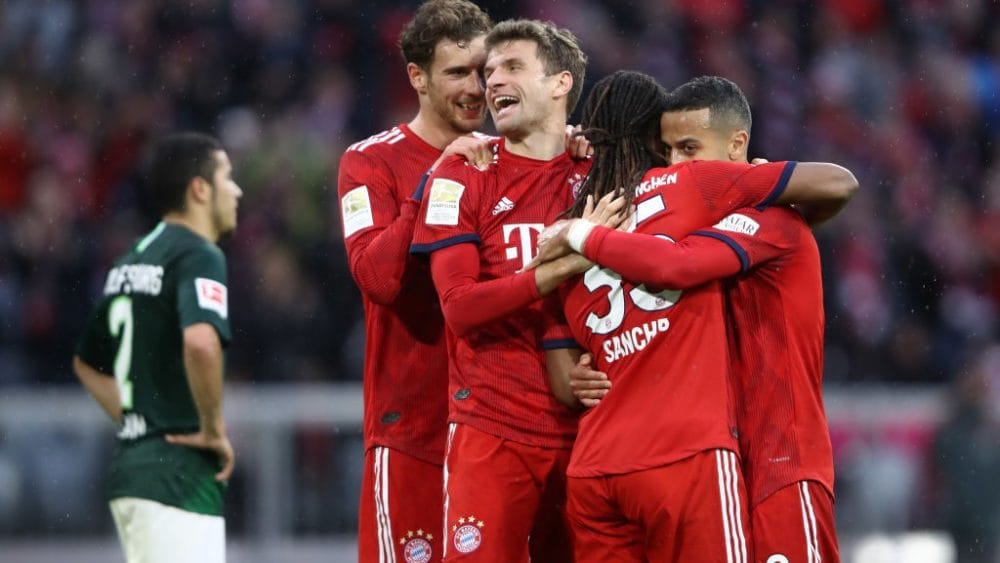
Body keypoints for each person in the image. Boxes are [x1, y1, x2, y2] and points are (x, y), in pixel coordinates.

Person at [526, 70, 857, 562]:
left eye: (688, 148)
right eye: (667, 152)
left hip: (779, 459)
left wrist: (580, 236)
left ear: (735, 146)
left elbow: (677, 264)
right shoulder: (684, 219)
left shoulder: (773, 218)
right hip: (715, 458)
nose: (676, 165)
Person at [409, 18, 591, 562]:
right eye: (489, 72)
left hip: (591, 431)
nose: (491, 82)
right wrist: (551, 271)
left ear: (560, 83)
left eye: (511, 67)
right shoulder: (461, 176)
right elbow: (460, 308)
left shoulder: (600, 171)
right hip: (493, 431)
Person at [335, 2, 492, 562]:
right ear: (417, 77)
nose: (476, 88)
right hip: (413, 430)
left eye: (483, 70)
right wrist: (435, 178)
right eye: (457, 73)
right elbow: (376, 278)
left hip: (501, 433)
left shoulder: (509, 159)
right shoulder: (369, 163)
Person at [73, 132, 242, 563]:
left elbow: (87, 363)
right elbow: (201, 343)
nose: (236, 189)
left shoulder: (130, 260)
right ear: (199, 189)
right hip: (179, 479)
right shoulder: (200, 254)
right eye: (227, 177)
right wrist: (213, 429)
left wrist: (141, 423)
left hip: (133, 472)